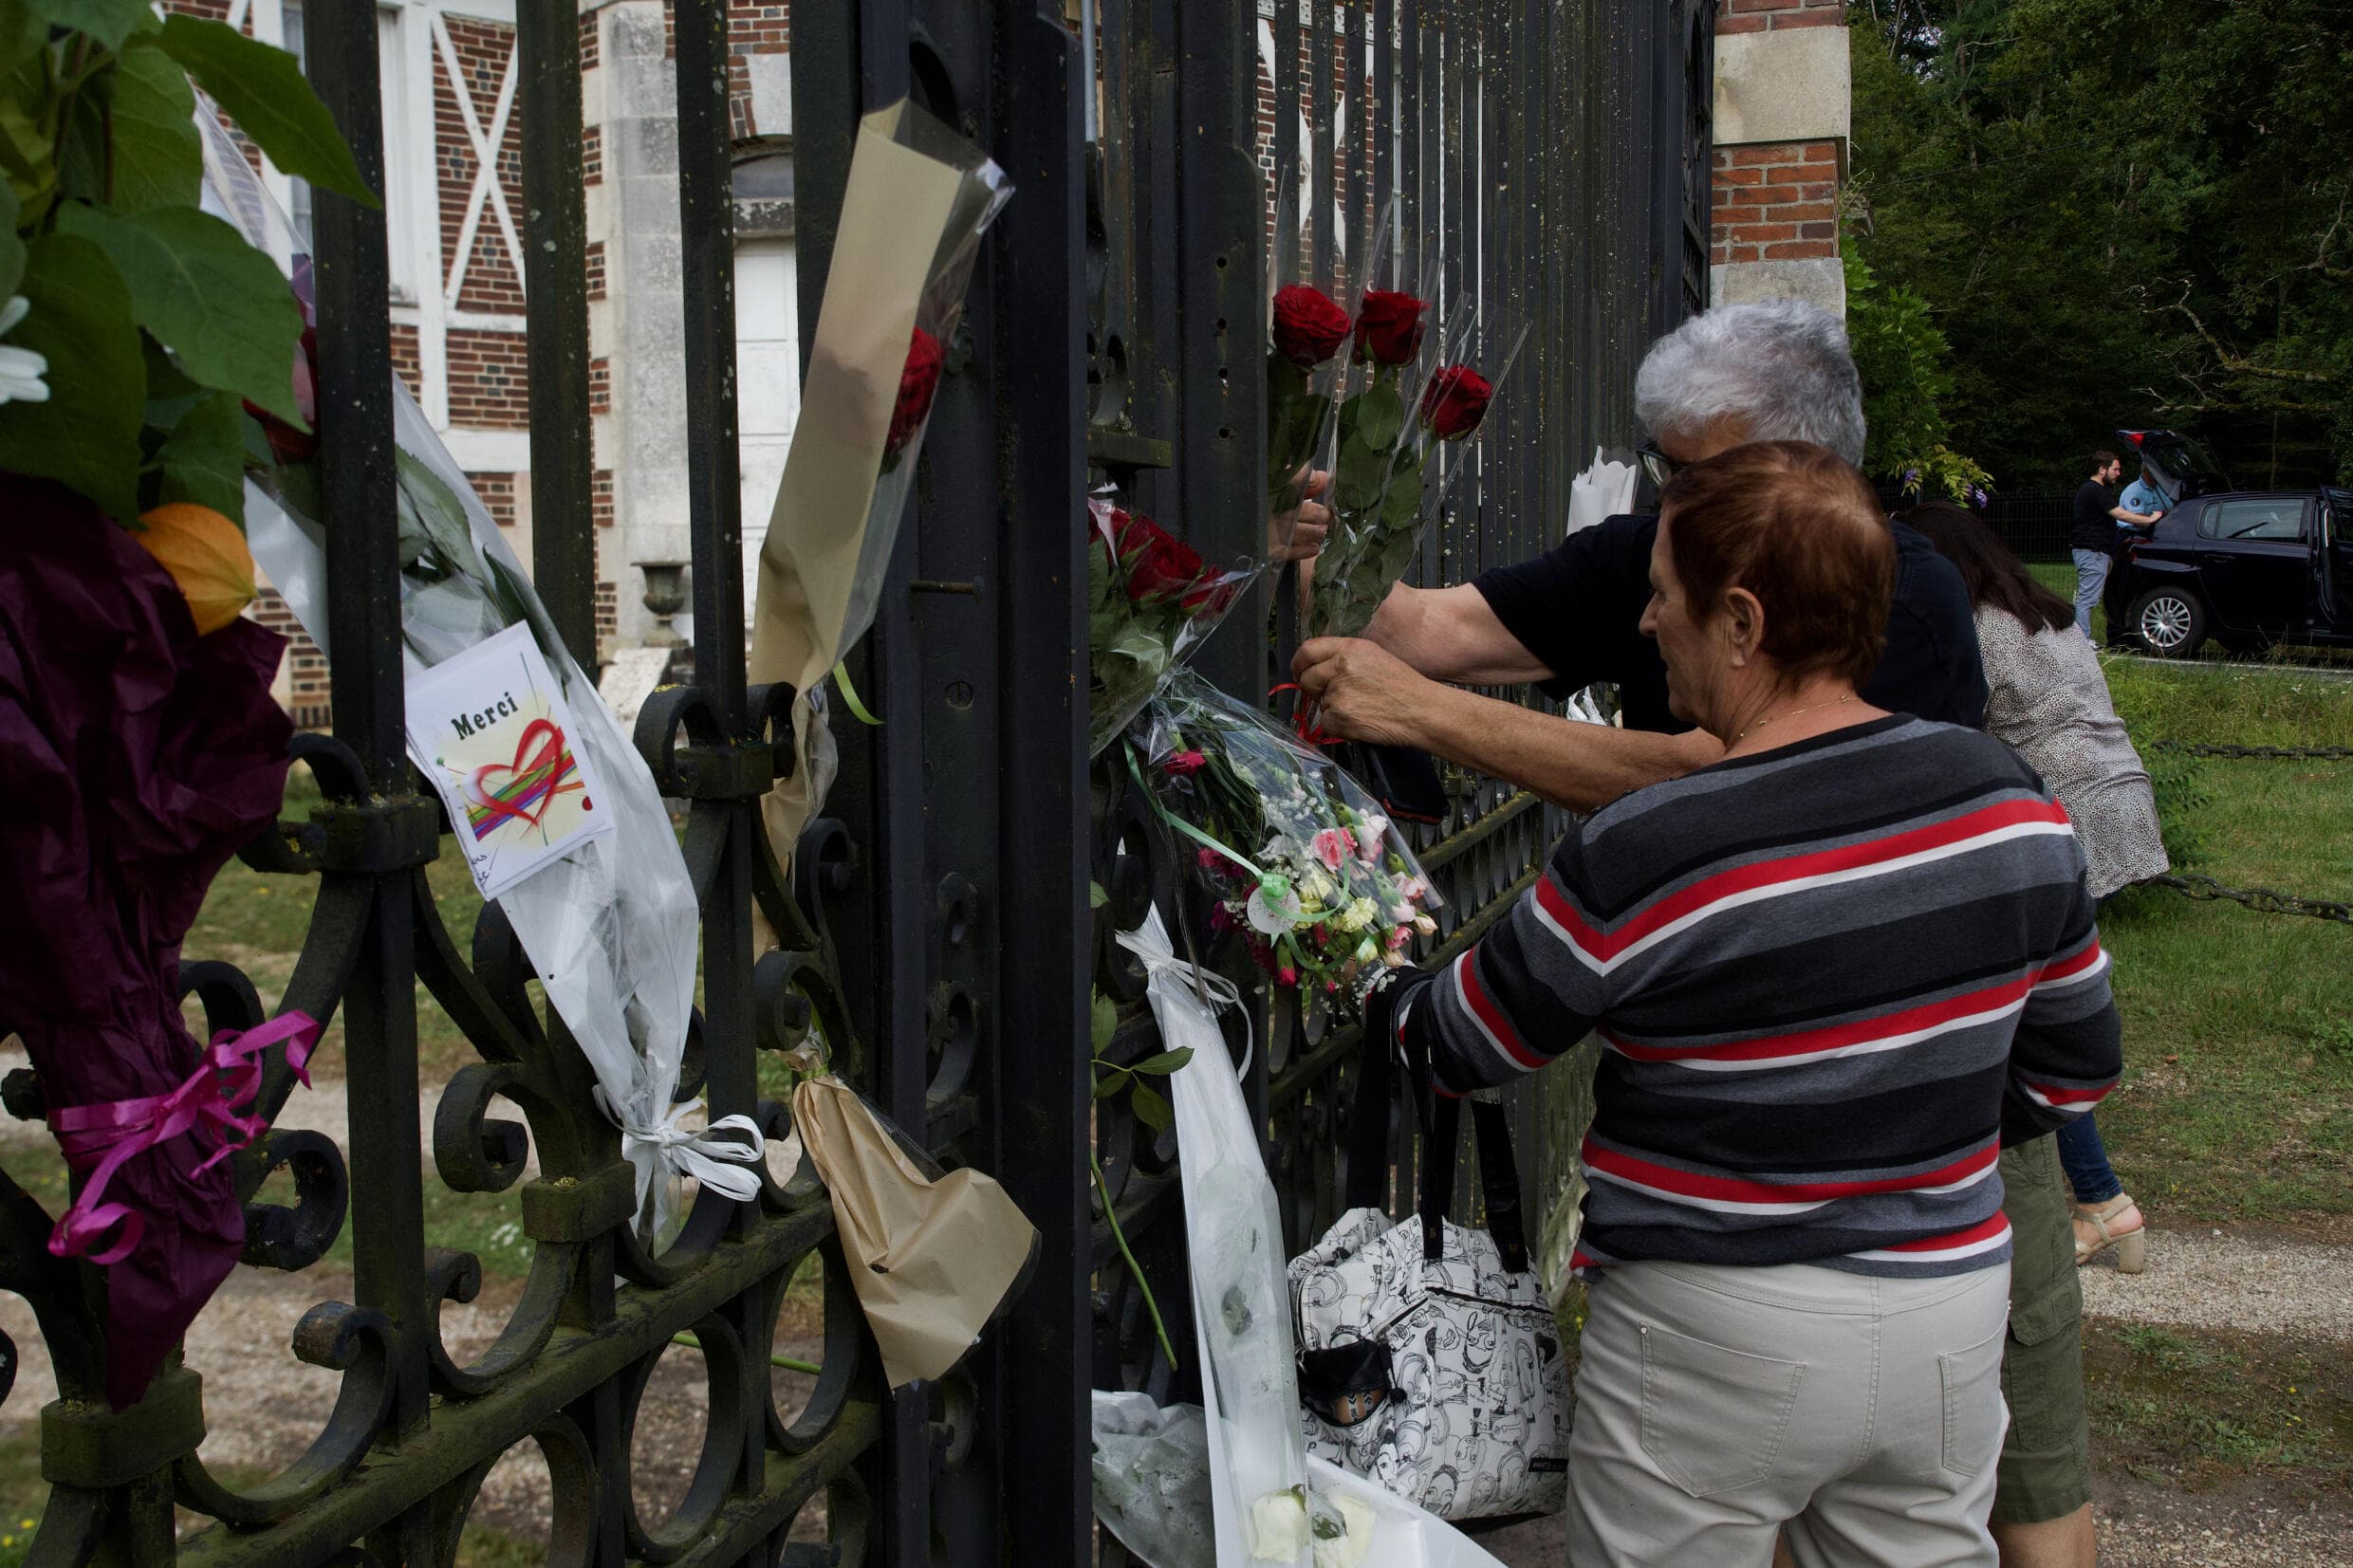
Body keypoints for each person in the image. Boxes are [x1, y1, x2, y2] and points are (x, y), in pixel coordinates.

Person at [1297, 298, 2100, 1568]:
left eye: (1666, 594)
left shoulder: (1650, 847)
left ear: (1744, 620)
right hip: (1938, 1305)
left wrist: (1363, 944)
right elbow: (2068, 1068)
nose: (1640, 615)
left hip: (1713, 1322)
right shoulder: (2019, 814)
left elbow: (1459, 1041)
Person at [1291, 298, 1986, 816]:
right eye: (1666, 468)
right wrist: (1292, 532)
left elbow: (1727, 782)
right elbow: (1426, 629)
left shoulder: (1899, 597)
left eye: (1701, 477)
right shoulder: (1647, 552)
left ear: (1806, 471)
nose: (1673, 499)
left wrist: (1421, 712)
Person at [1903, 501, 2164, 1274]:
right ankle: (2096, 1196)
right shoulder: (2049, 613)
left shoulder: (1972, 626)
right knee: (2038, 1013)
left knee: (2022, 1025)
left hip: (2060, 818)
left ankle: (2101, 1200)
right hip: (2119, 800)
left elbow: (1951, 727)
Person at [2070, 452, 2161, 643]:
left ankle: (2080, 640)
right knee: (2087, 598)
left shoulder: (2097, 490)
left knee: (2089, 596)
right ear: (2102, 469)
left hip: (2095, 551)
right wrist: (2149, 520)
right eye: (2115, 469)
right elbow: (2122, 514)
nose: (2119, 473)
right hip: (2092, 550)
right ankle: (2081, 641)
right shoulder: (2094, 490)